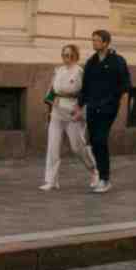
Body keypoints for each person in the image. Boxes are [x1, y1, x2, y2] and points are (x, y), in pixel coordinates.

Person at [40, 43, 99, 192]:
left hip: (73, 112)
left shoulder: (80, 72)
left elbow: (86, 93)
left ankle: (94, 171)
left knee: (77, 147)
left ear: (75, 56)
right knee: (53, 146)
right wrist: (50, 106)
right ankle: (51, 180)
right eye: (64, 55)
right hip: (57, 112)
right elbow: (52, 91)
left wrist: (81, 111)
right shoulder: (58, 70)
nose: (66, 58)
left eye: (69, 55)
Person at [80, 29, 131, 194]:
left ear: (106, 43)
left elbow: (125, 84)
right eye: (92, 40)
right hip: (92, 107)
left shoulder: (117, 61)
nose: (93, 43)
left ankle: (105, 179)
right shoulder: (91, 62)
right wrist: (80, 106)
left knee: (100, 140)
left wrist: (123, 105)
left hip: (108, 107)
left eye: (96, 40)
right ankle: (101, 175)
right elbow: (85, 86)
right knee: (94, 142)